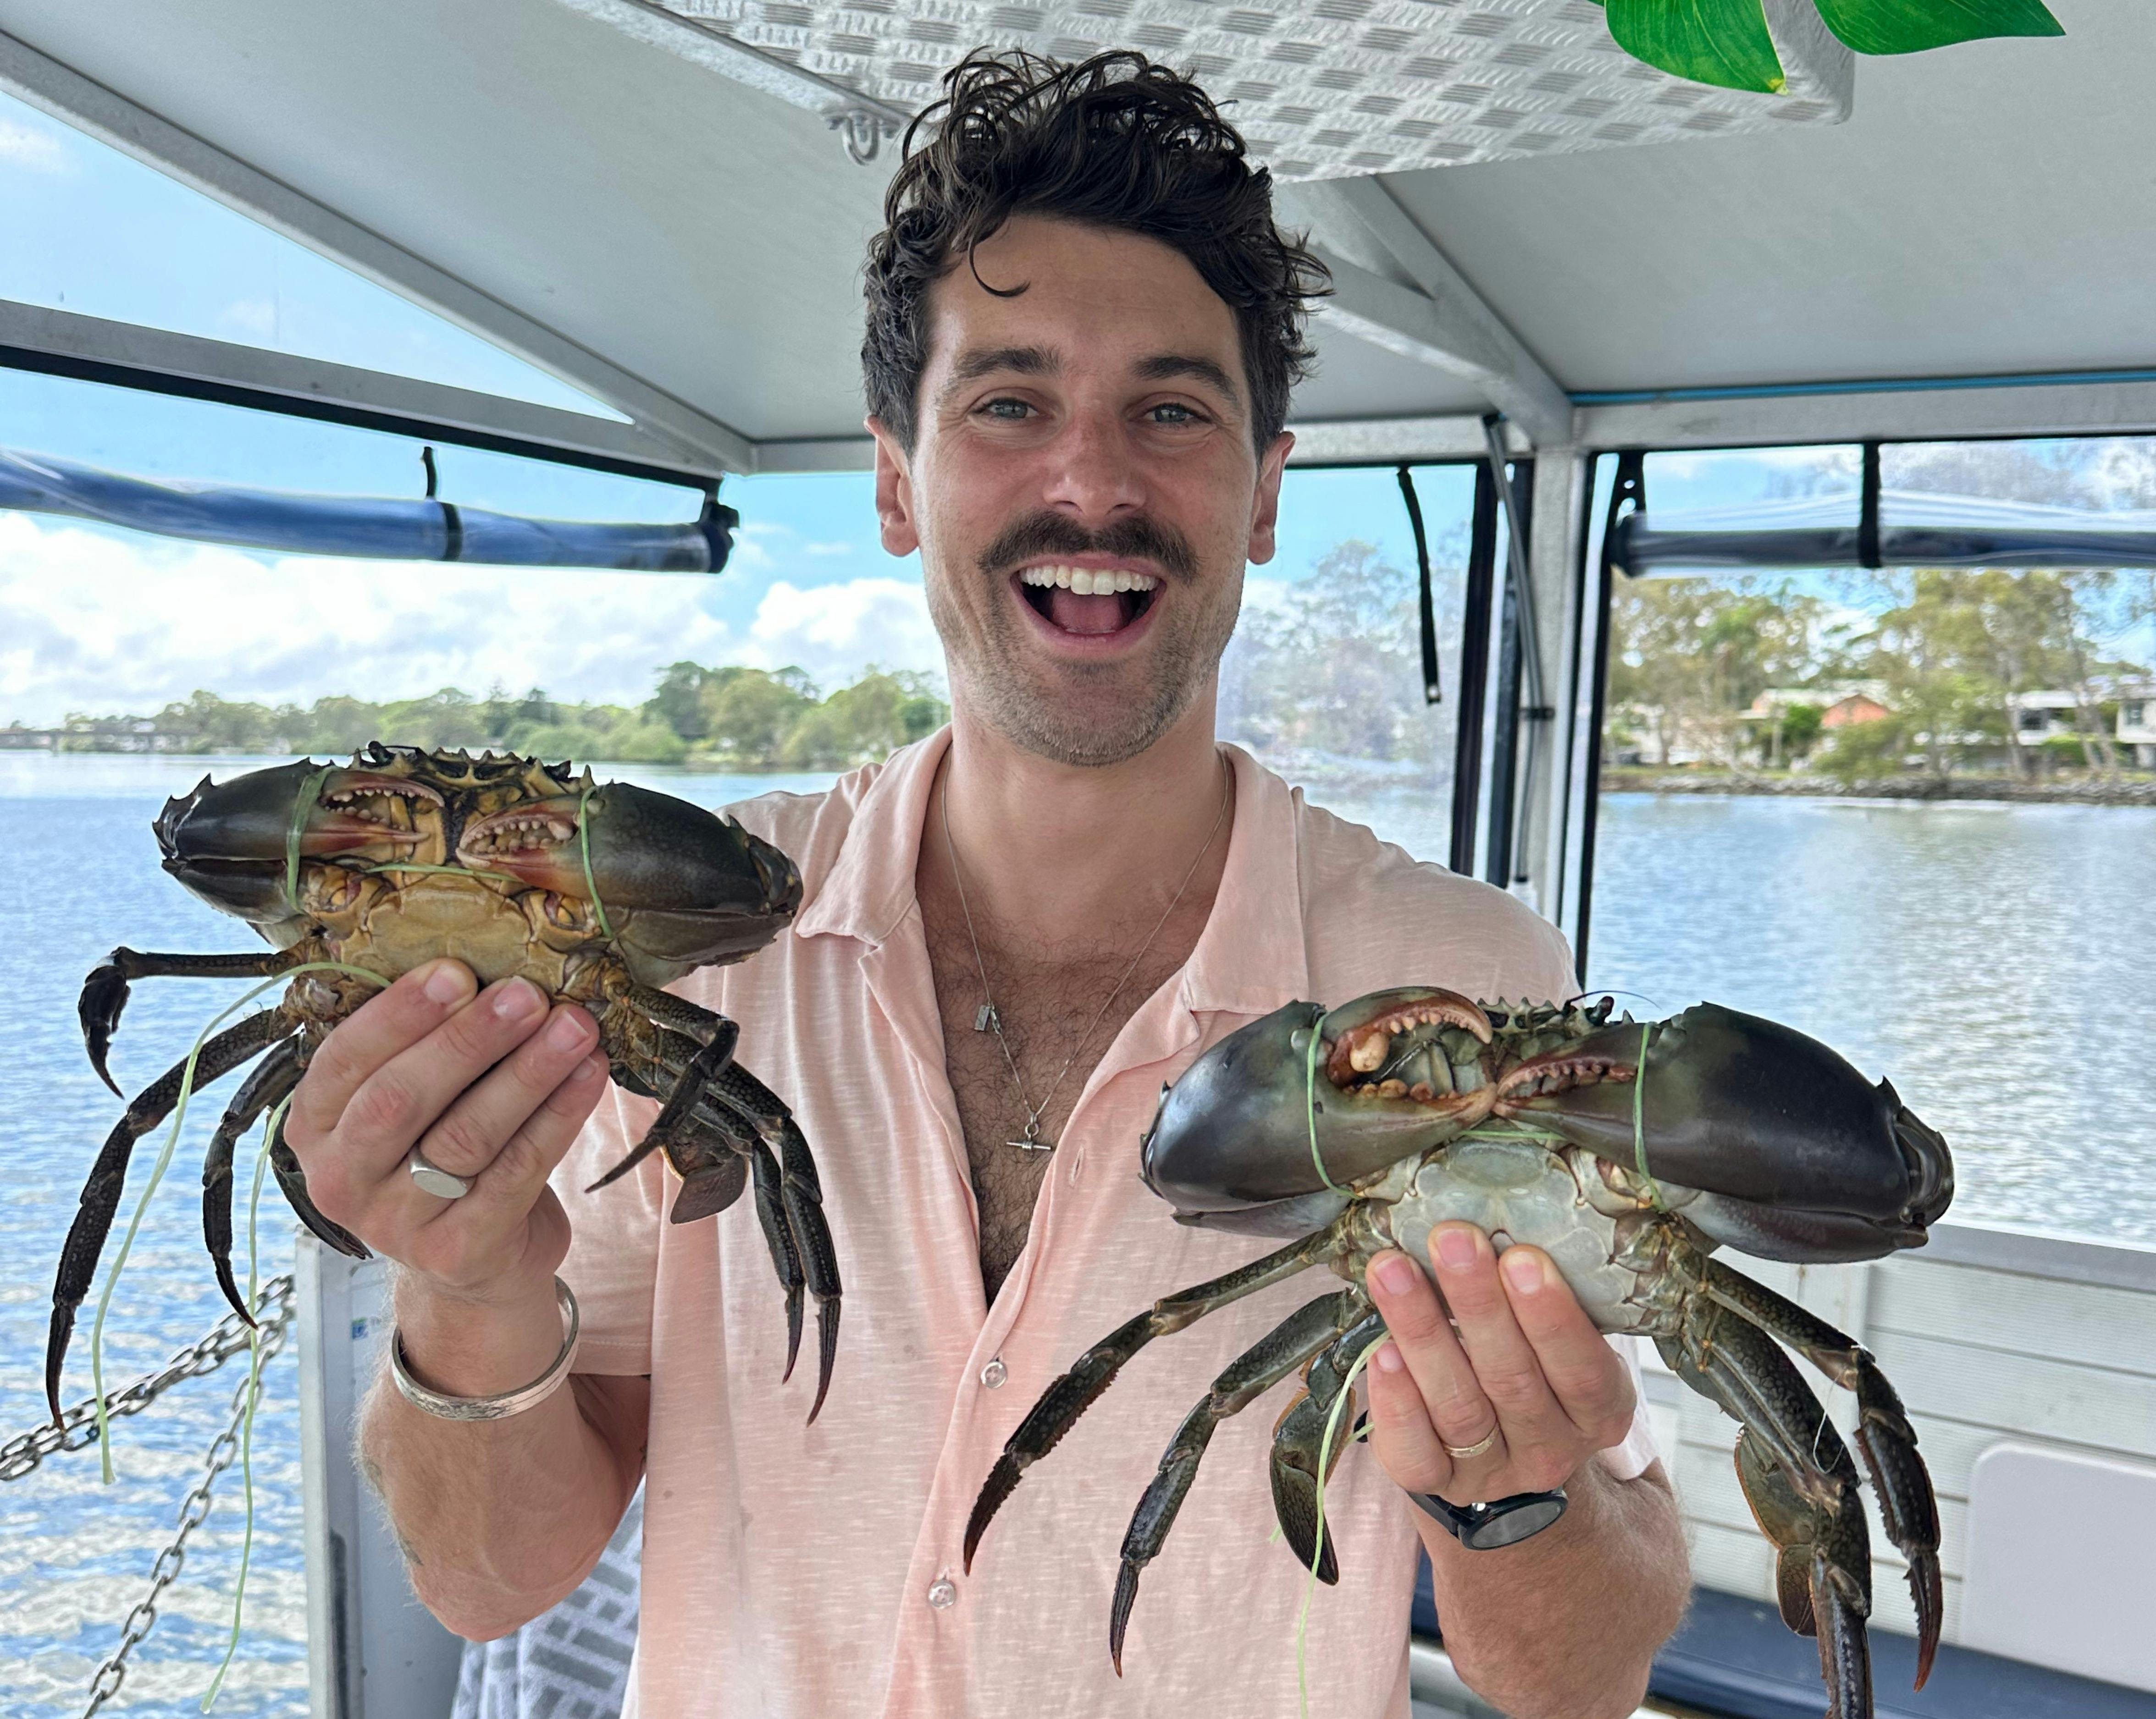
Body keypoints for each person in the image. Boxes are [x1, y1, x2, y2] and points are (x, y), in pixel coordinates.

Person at [300, 50, 1690, 1719]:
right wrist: (462, 1283)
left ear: (1262, 493)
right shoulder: (682, 940)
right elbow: (489, 1576)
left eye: (1173, 411)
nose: (1092, 483)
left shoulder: (1464, 979)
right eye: (1010, 403)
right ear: (898, 478)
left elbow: (1583, 1676)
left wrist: (1515, 1492)